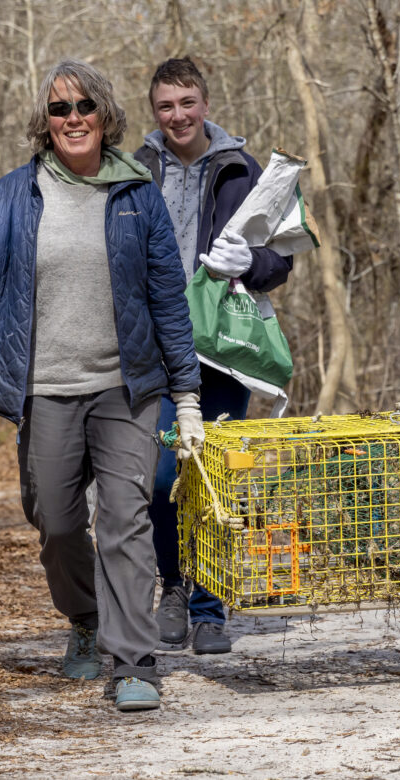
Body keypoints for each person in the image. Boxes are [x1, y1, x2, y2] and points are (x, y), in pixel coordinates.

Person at [0, 59, 206, 711]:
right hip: (45, 389)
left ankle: (134, 660)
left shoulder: (135, 192)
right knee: (57, 522)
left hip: (128, 388)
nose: (73, 118)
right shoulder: (9, 198)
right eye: (60, 109)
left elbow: (168, 299)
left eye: (84, 106)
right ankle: (87, 622)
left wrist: (187, 394)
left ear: (105, 115)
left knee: (125, 519)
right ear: (45, 121)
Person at [132, 57, 293, 655]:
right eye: (166, 106)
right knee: (161, 476)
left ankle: (209, 607)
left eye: (187, 103)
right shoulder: (135, 169)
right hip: (151, 345)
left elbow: (282, 260)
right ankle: (172, 587)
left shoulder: (243, 171)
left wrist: (251, 265)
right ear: (155, 111)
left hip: (224, 350)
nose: (178, 116)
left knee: (214, 475)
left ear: (205, 103)